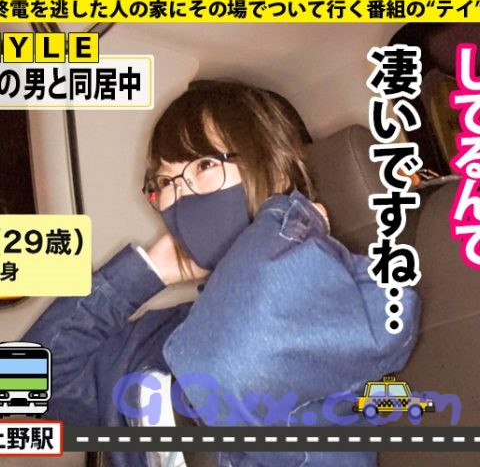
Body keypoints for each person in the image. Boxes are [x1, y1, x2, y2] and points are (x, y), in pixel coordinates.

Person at [23, 79, 420, 467]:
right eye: (165, 181)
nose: (180, 193)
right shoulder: (157, 334)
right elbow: (23, 384)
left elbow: (234, 362)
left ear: (277, 173)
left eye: (205, 164)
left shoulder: (340, 296)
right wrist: (144, 272)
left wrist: (286, 224)